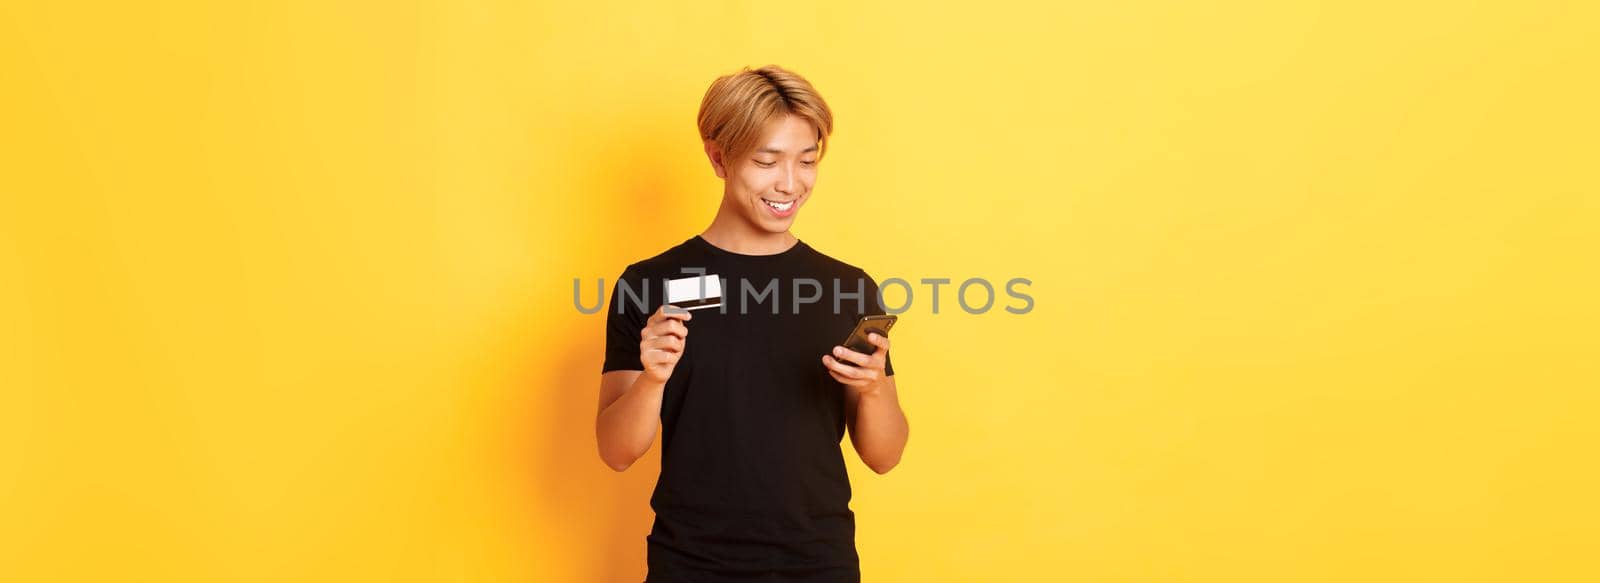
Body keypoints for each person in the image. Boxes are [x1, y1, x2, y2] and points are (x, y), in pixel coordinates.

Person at [595, 65, 911, 582]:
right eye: (767, 161)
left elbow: (884, 456)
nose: (790, 183)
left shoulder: (848, 287)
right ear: (719, 157)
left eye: (807, 161)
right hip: (690, 564)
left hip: (819, 563)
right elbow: (615, 451)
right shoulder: (648, 284)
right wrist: (653, 379)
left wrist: (874, 390)